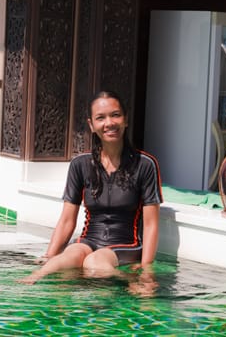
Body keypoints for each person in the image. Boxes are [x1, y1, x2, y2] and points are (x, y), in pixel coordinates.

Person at [20, 90, 163, 286]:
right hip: (88, 240)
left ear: (125, 120)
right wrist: (49, 255)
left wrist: (146, 271)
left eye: (115, 115)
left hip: (126, 244)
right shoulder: (81, 164)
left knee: (94, 262)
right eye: (101, 118)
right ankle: (26, 284)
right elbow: (67, 220)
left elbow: (151, 224)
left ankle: (131, 283)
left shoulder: (145, 164)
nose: (109, 123)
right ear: (92, 125)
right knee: (64, 259)